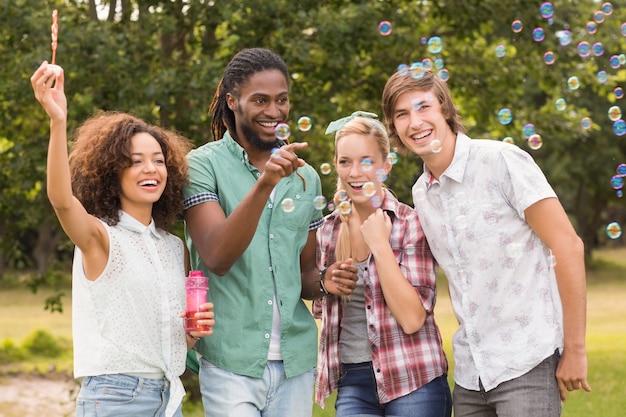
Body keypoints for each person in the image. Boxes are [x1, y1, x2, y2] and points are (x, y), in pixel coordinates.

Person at [381, 69, 592, 416]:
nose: (414, 121)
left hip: (526, 360)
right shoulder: (422, 193)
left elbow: (568, 245)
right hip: (470, 375)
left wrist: (575, 349)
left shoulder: (500, 161)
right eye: (401, 114)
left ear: (445, 110)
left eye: (423, 107)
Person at [30, 61, 215, 417]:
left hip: (168, 397)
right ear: (112, 172)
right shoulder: (100, 237)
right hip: (116, 398)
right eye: (136, 161)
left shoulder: (172, 246)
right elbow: (61, 200)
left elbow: (164, 336)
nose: (151, 169)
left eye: (159, 161)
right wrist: (57, 122)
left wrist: (192, 331)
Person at [182, 47, 357, 417]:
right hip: (232, 360)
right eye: (260, 100)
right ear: (233, 101)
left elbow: (304, 274)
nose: (274, 111)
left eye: (281, 100)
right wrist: (266, 183)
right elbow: (217, 256)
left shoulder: (306, 176)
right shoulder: (202, 165)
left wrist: (326, 280)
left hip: (295, 361)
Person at [313, 112, 452, 417]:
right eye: (345, 161)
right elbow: (321, 310)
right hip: (354, 382)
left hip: (413, 376)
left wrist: (379, 245)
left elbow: (413, 319)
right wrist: (325, 281)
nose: (354, 172)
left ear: (385, 166)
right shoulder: (327, 231)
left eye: (366, 161)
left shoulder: (410, 223)